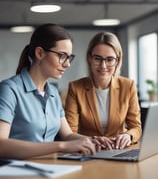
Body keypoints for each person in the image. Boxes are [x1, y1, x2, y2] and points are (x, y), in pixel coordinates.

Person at [0, 23, 99, 159]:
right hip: (15, 170)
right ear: (40, 53)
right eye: (62, 55)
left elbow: (67, 135)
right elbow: (1, 144)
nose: (67, 64)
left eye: (69, 57)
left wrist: (93, 140)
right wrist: (60, 146)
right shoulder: (9, 89)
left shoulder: (53, 92)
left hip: (50, 167)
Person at [65, 31, 142, 150]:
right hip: (89, 150)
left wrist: (128, 135)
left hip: (119, 149)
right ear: (90, 58)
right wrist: (93, 140)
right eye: (97, 58)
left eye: (110, 59)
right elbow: (70, 132)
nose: (103, 66)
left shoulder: (128, 86)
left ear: (117, 61)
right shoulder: (76, 88)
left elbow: (136, 127)